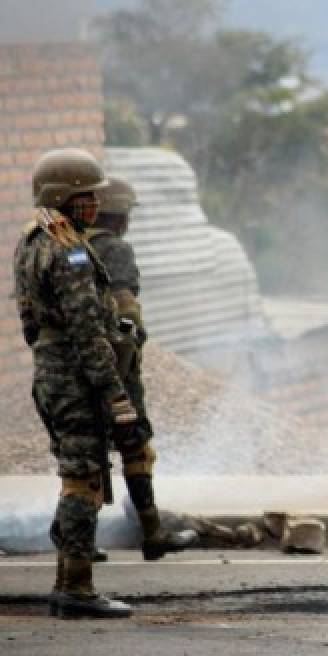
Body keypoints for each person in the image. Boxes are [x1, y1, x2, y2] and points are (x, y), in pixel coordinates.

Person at [13, 148, 135, 618]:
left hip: (51, 373)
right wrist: (113, 392)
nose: (94, 207)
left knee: (76, 475)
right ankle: (77, 590)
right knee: (83, 480)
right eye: (85, 198)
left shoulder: (33, 240)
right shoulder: (71, 252)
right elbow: (88, 332)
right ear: (61, 197)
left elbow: (30, 320)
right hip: (77, 378)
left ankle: (69, 581)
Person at [85, 176, 198, 561]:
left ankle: (79, 540)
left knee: (86, 453)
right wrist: (124, 367)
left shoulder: (67, 246)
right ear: (118, 216)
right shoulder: (114, 248)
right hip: (115, 367)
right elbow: (125, 311)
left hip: (76, 367)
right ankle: (151, 531)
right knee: (135, 447)